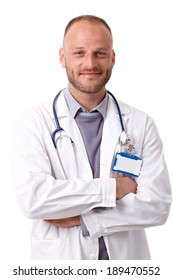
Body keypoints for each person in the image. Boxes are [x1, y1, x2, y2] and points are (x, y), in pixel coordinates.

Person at [11, 15, 171, 260]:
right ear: (62, 57)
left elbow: (157, 206)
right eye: (79, 53)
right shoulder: (33, 122)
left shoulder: (140, 123)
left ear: (112, 58)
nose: (90, 63)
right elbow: (34, 199)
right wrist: (114, 189)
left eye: (100, 53)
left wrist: (85, 218)